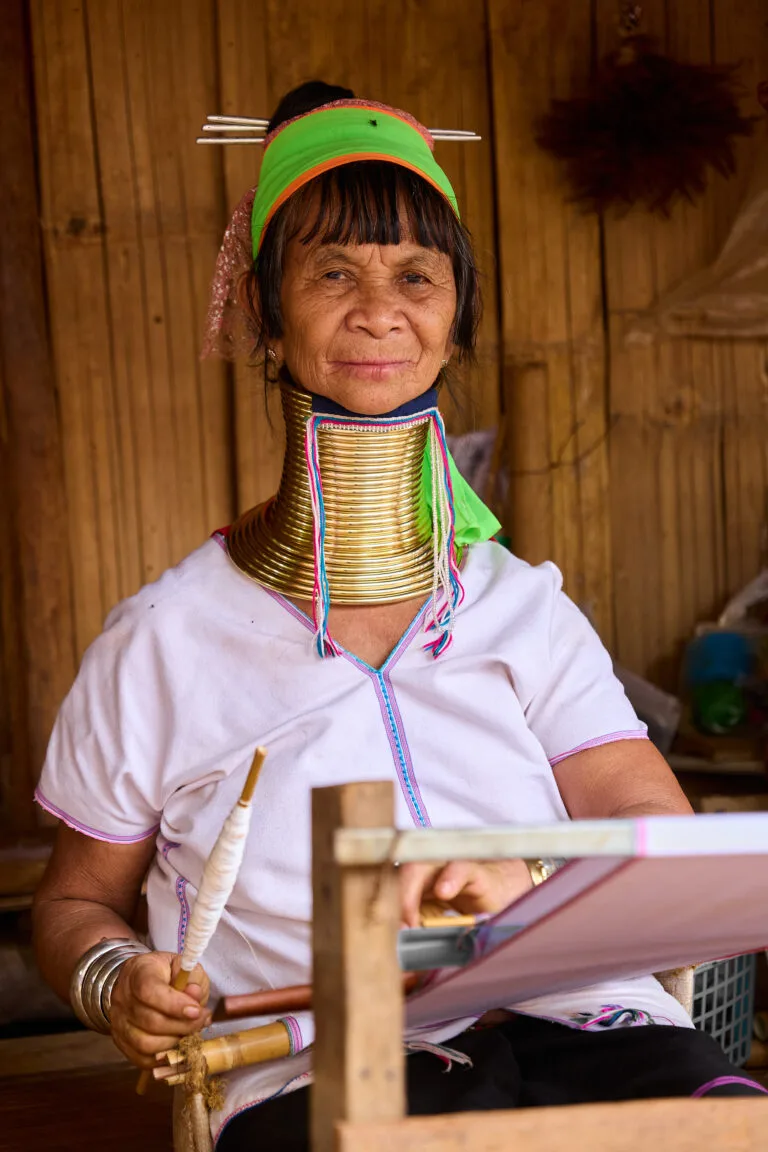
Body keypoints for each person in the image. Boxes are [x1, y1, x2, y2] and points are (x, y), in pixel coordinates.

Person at [32, 81, 767, 1150]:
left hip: (582, 1018)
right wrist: (116, 981)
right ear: (265, 320)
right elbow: (69, 909)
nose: (379, 310)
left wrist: (531, 881)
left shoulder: (524, 608)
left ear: (453, 323)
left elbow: (653, 838)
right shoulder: (163, 640)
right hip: (308, 1055)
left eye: (415, 277)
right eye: (332, 273)